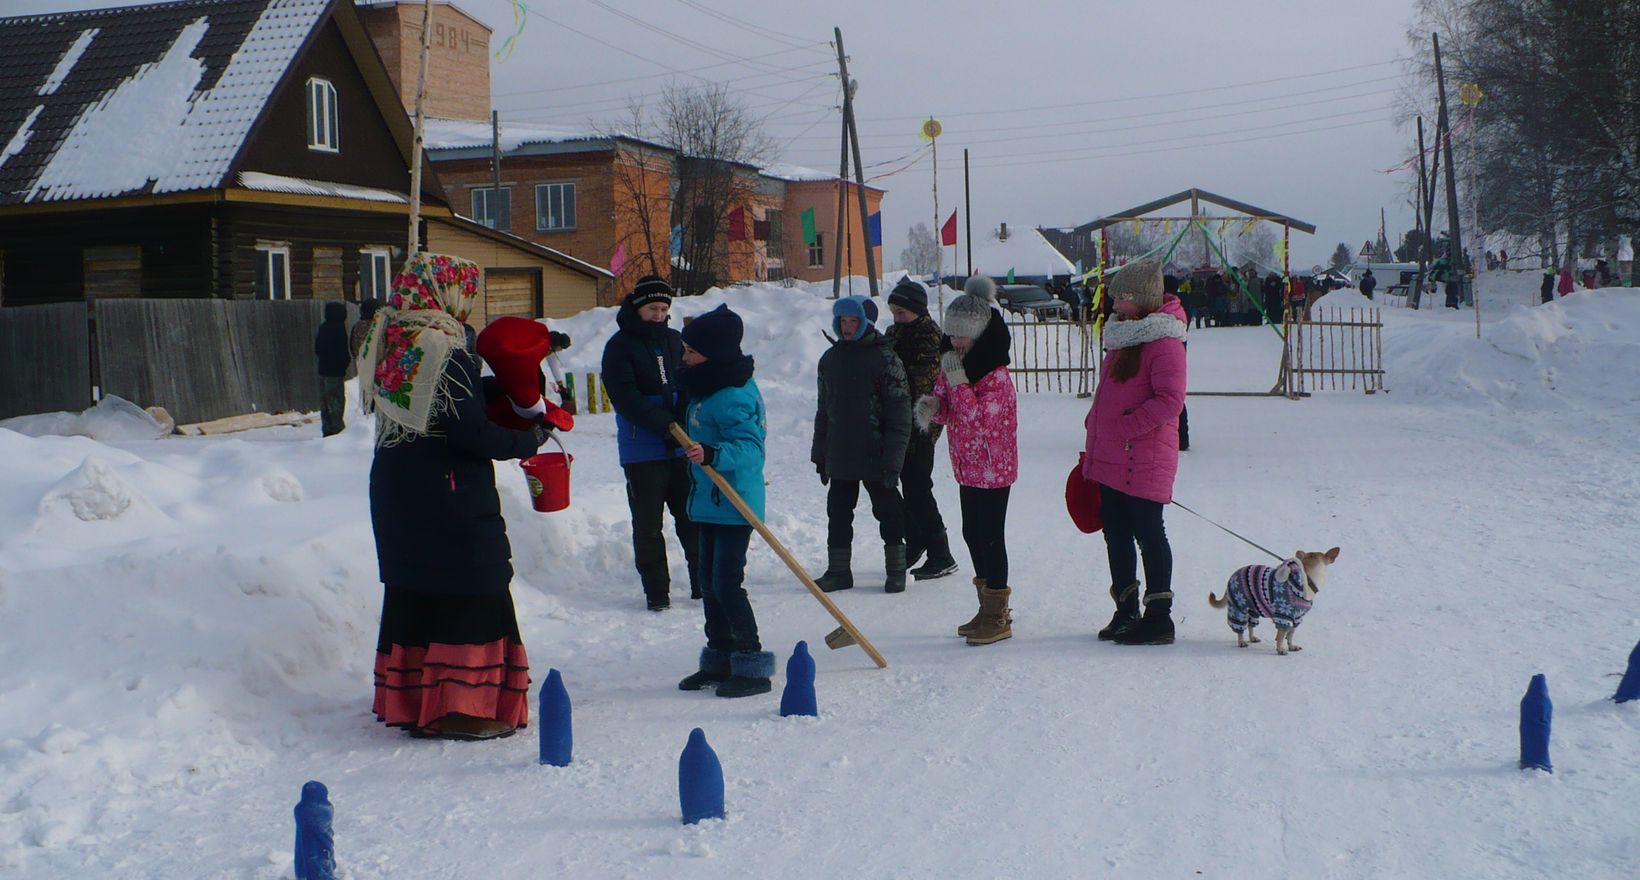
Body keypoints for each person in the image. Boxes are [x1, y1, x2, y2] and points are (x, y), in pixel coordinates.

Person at [360, 253, 549, 740]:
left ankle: (417, 702)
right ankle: (465, 709)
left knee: (417, 591)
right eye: (465, 291)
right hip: (449, 497)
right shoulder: (446, 348)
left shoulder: (391, 340)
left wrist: (491, 389)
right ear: (448, 293)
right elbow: (470, 433)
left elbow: (435, 406)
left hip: (399, 492)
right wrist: (529, 439)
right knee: (472, 590)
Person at [674, 305, 775, 698]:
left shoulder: (733, 393)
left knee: (726, 584)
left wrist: (714, 454)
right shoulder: (706, 384)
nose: (684, 358)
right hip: (708, 501)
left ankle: (751, 665)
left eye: (691, 352)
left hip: (735, 504)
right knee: (708, 583)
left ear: (713, 354)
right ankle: (719, 657)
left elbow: (751, 449)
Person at [1085, 258, 1187, 646]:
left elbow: (1170, 401)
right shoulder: (1125, 336)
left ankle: (1158, 617)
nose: (1115, 305)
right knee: (1116, 534)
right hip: (1113, 456)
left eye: (1123, 299)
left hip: (1143, 457)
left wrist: (1126, 427)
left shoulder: (1164, 341)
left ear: (1144, 301)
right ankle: (1125, 609)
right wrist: (1095, 425)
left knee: (1148, 532)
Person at [915, 276, 1018, 645]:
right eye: (953, 335)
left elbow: (976, 417)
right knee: (971, 533)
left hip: (994, 468)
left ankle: (999, 612)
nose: (956, 343)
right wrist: (933, 407)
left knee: (991, 537)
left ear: (981, 336)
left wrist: (957, 384)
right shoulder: (953, 363)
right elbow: (951, 410)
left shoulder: (996, 377)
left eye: (964, 337)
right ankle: (985, 606)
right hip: (967, 466)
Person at [601, 275, 699, 611]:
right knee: (648, 524)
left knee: (690, 516)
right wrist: (664, 423)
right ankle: (657, 592)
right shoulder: (619, 346)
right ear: (638, 307)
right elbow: (625, 397)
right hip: (641, 447)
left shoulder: (674, 340)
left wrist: (684, 415)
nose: (659, 314)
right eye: (653, 308)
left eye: (664, 308)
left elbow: (687, 380)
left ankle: (702, 582)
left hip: (679, 444)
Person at [812, 296, 913, 593]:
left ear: (865, 322)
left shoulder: (885, 358)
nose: (846, 327)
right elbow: (823, 410)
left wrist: (893, 461)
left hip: (876, 450)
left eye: (853, 321)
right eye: (842, 321)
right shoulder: (830, 360)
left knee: (888, 510)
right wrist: (820, 454)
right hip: (841, 451)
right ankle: (838, 571)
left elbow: (900, 414)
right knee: (838, 511)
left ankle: (896, 569)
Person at [886, 279, 959, 580]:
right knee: (903, 486)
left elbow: (926, 386)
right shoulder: (896, 333)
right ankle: (916, 541)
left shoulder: (930, 338)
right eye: (893, 312)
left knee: (918, 488)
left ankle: (941, 553)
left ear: (917, 310)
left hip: (920, 425)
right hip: (896, 424)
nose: (896, 318)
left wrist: (919, 426)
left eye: (901, 312)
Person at [313, 301, 350, 437]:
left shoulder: (323, 327)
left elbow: (318, 348)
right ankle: (337, 428)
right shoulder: (339, 329)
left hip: (323, 369)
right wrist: (344, 364)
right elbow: (342, 351)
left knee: (325, 401)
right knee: (336, 400)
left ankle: (327, 427)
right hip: (335, 371)